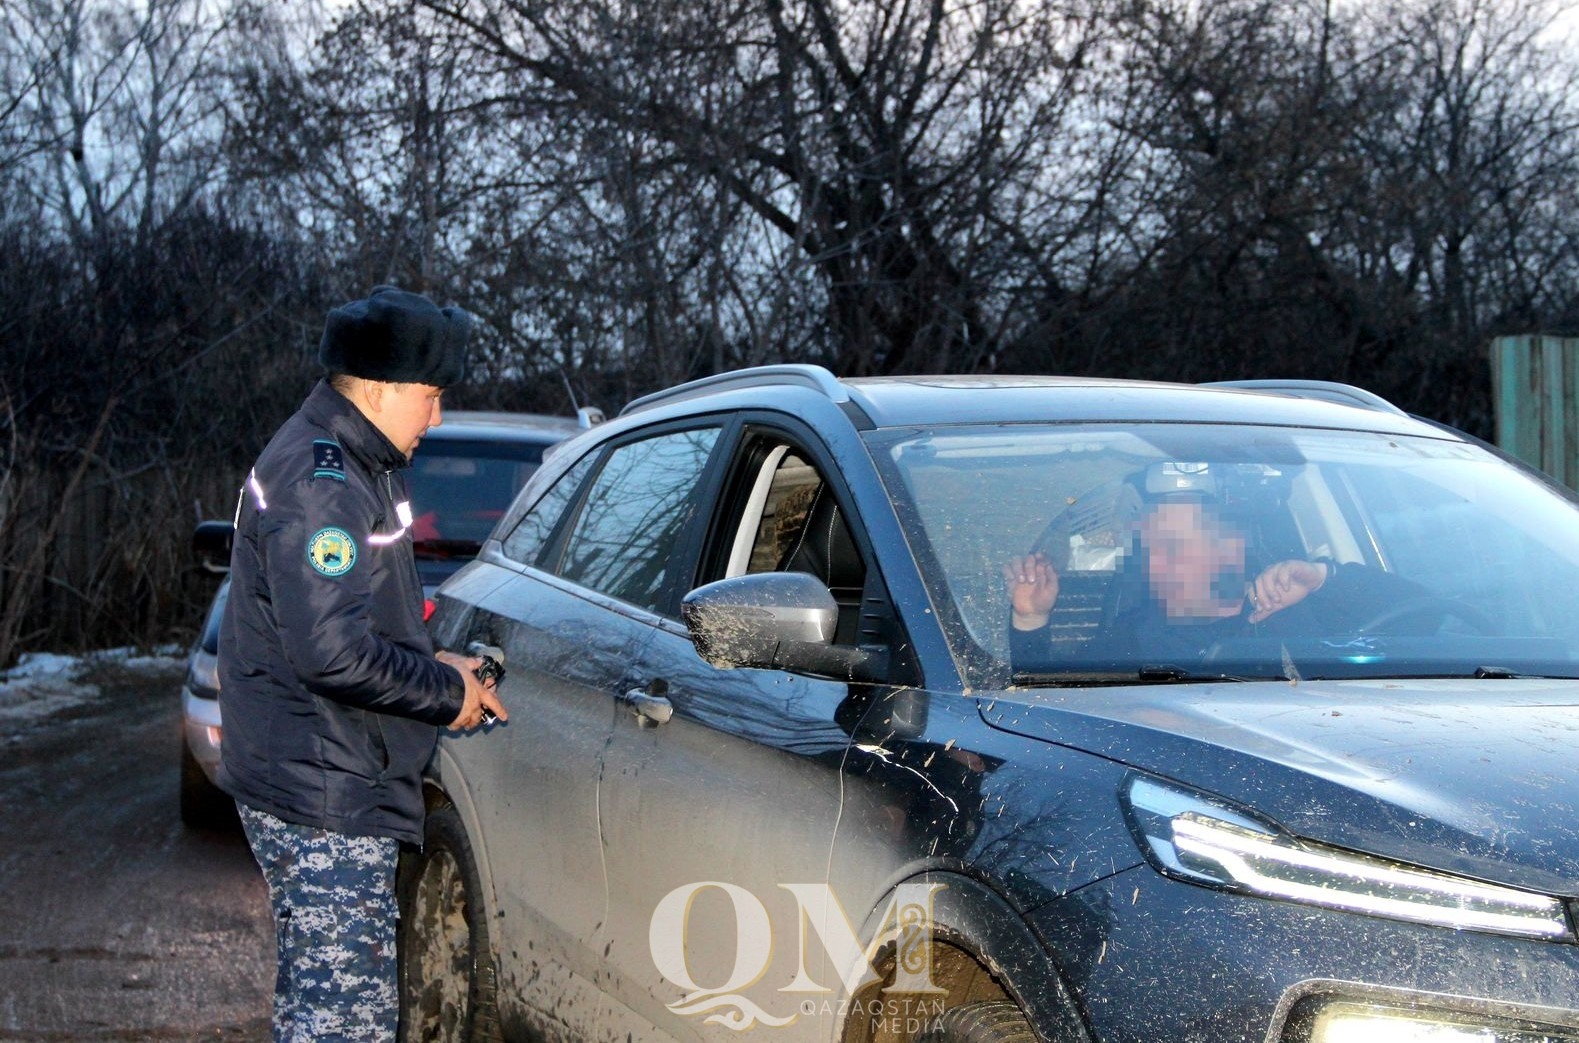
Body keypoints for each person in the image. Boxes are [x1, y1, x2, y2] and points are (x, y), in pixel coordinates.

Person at [216, 285, 508, 1042]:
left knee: (318, 1008)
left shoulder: (354, 458)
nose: (437, 416)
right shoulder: (326, 481)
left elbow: (344, 617)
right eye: (432, 395)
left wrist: (429, 657)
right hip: (323, 787)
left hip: (318, 767)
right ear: (382, 389)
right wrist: (445, 691)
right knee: (341, 1023)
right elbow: (331, 652)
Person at [1004, 492, 1418, 672]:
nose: (1155, 565)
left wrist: (1323, 579)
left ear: (1229, 549)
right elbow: (1049, 696)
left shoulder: (1300, 606)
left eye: (1174, 547)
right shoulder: (1133, 638)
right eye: (1148, 551)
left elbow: (1432, 620)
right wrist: (1031, 618)